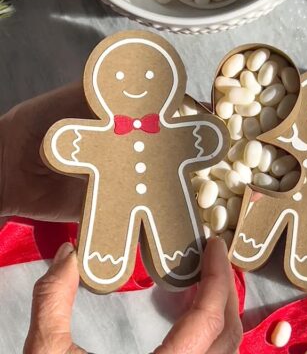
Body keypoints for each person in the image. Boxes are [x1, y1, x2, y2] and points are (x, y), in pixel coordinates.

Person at [0, 83, 243, 354]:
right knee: (109, 232)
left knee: (168, 228)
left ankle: (168, 256)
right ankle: (106, 261)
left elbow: (200, 138)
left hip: (162, 196)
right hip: (116, 193)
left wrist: (8, 159)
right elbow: (75, 142)